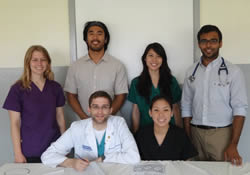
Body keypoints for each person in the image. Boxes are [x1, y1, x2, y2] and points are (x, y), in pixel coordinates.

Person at [181, 25, 248, 166]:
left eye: (213, 40)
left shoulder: (233, 72)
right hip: (195, 133)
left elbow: (240, 110)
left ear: (220, 43)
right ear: (199, 44)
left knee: (222, 171)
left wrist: (233, 144)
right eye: (204, 41)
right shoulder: (190, 72)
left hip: (222, 135)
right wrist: (188, 138)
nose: (208, 45)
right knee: (195, 171)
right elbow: (186, 107)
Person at [41, 91, 140, 171]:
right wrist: (71, 162)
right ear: (89, 109)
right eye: (95, 107)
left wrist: (103, 158)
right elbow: (47, 156)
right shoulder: (77, 127)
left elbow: (134, 157)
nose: (100, 112)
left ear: (110, 110)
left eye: (104, 107)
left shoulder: (119, 124)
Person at [3, 45, 66, 163]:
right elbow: (15, 124)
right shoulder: (17, 89)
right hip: (30, 149)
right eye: (35, 59)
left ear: (48, 63)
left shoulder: (55, 88)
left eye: (43, 59)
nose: (39, 63)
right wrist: (18, 153)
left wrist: (65, 144)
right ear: (28, 62)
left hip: (54, 147)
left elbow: (60, 117)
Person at [64, 21, 128, 119]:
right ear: (86, 39)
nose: (95, 37)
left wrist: (105, 118)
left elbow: (120, 96)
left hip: (110, 122)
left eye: (99, 33)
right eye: (91, 33)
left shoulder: (117, 66)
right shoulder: (75, 67)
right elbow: (71, 95)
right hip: (84, 122)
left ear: (105, 39)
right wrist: (84, 118)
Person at [128, 42, 182, 133]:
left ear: (163, 59)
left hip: (169, 131)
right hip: (145, 132)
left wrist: (180, 133)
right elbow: (136, 110)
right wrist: (135, 134)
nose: (154, 60)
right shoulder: (136, 83)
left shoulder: (171, 81)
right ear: (145, 58)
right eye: (151, 55)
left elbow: (175, 108)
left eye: (158, 56)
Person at [136, 95, 197, 160]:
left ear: (171, 113)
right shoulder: (141, 134)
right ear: (150, 113)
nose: (161, 114)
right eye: (156, 110)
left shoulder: (180, 135)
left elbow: (189, 160)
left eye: (165, 110)